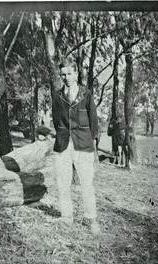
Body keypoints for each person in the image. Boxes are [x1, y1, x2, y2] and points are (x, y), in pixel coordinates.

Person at [52, 58, 100, 234]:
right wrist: (61, 134)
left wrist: (91, 141)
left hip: (83, 144)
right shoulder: (57, 96)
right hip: (63, 144)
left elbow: (93, 120)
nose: (66, 77)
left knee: (87, 183)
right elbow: (57, 118)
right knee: (62, 182)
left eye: (69, 73)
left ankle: (91, 219)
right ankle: (66, 216)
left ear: (76, 73)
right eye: (63, 74)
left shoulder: (85, 94)